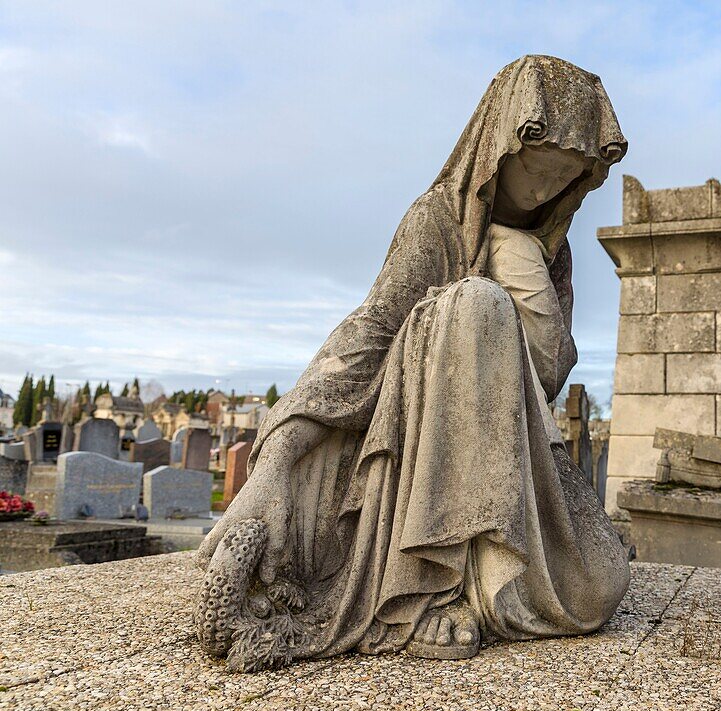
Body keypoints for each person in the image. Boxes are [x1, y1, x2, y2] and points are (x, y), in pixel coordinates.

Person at [195, 55, 632, 671]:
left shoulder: (547, 252)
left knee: (597, 590)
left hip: (514, 462)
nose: (541, 192)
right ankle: (429, 588)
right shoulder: (436, 222)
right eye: (534, 169)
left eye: (562, 179)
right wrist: (274, 466)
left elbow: (548, 375)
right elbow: (367, 335)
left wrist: (521, 263)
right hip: (412, 459)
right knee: (473, 306)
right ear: (497, 151)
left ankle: (492, 581)